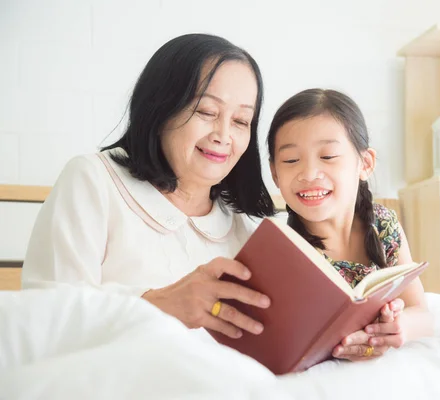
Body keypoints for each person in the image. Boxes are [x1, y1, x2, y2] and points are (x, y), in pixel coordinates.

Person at [21, 33, 275, 340]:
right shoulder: (93, 181)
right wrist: (157, 306)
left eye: (241, 121)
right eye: (206, 112)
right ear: (161, 108)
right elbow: (44, 318)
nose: (224, 135)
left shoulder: (246, 228)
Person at [266, 88, 434, 361]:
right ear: (275, 173)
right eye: (291, 160)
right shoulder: (281, 251)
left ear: (364, 163)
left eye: (328, 156)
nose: (308, 173)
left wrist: (395, 328)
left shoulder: (384, 225)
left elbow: (423, 315)